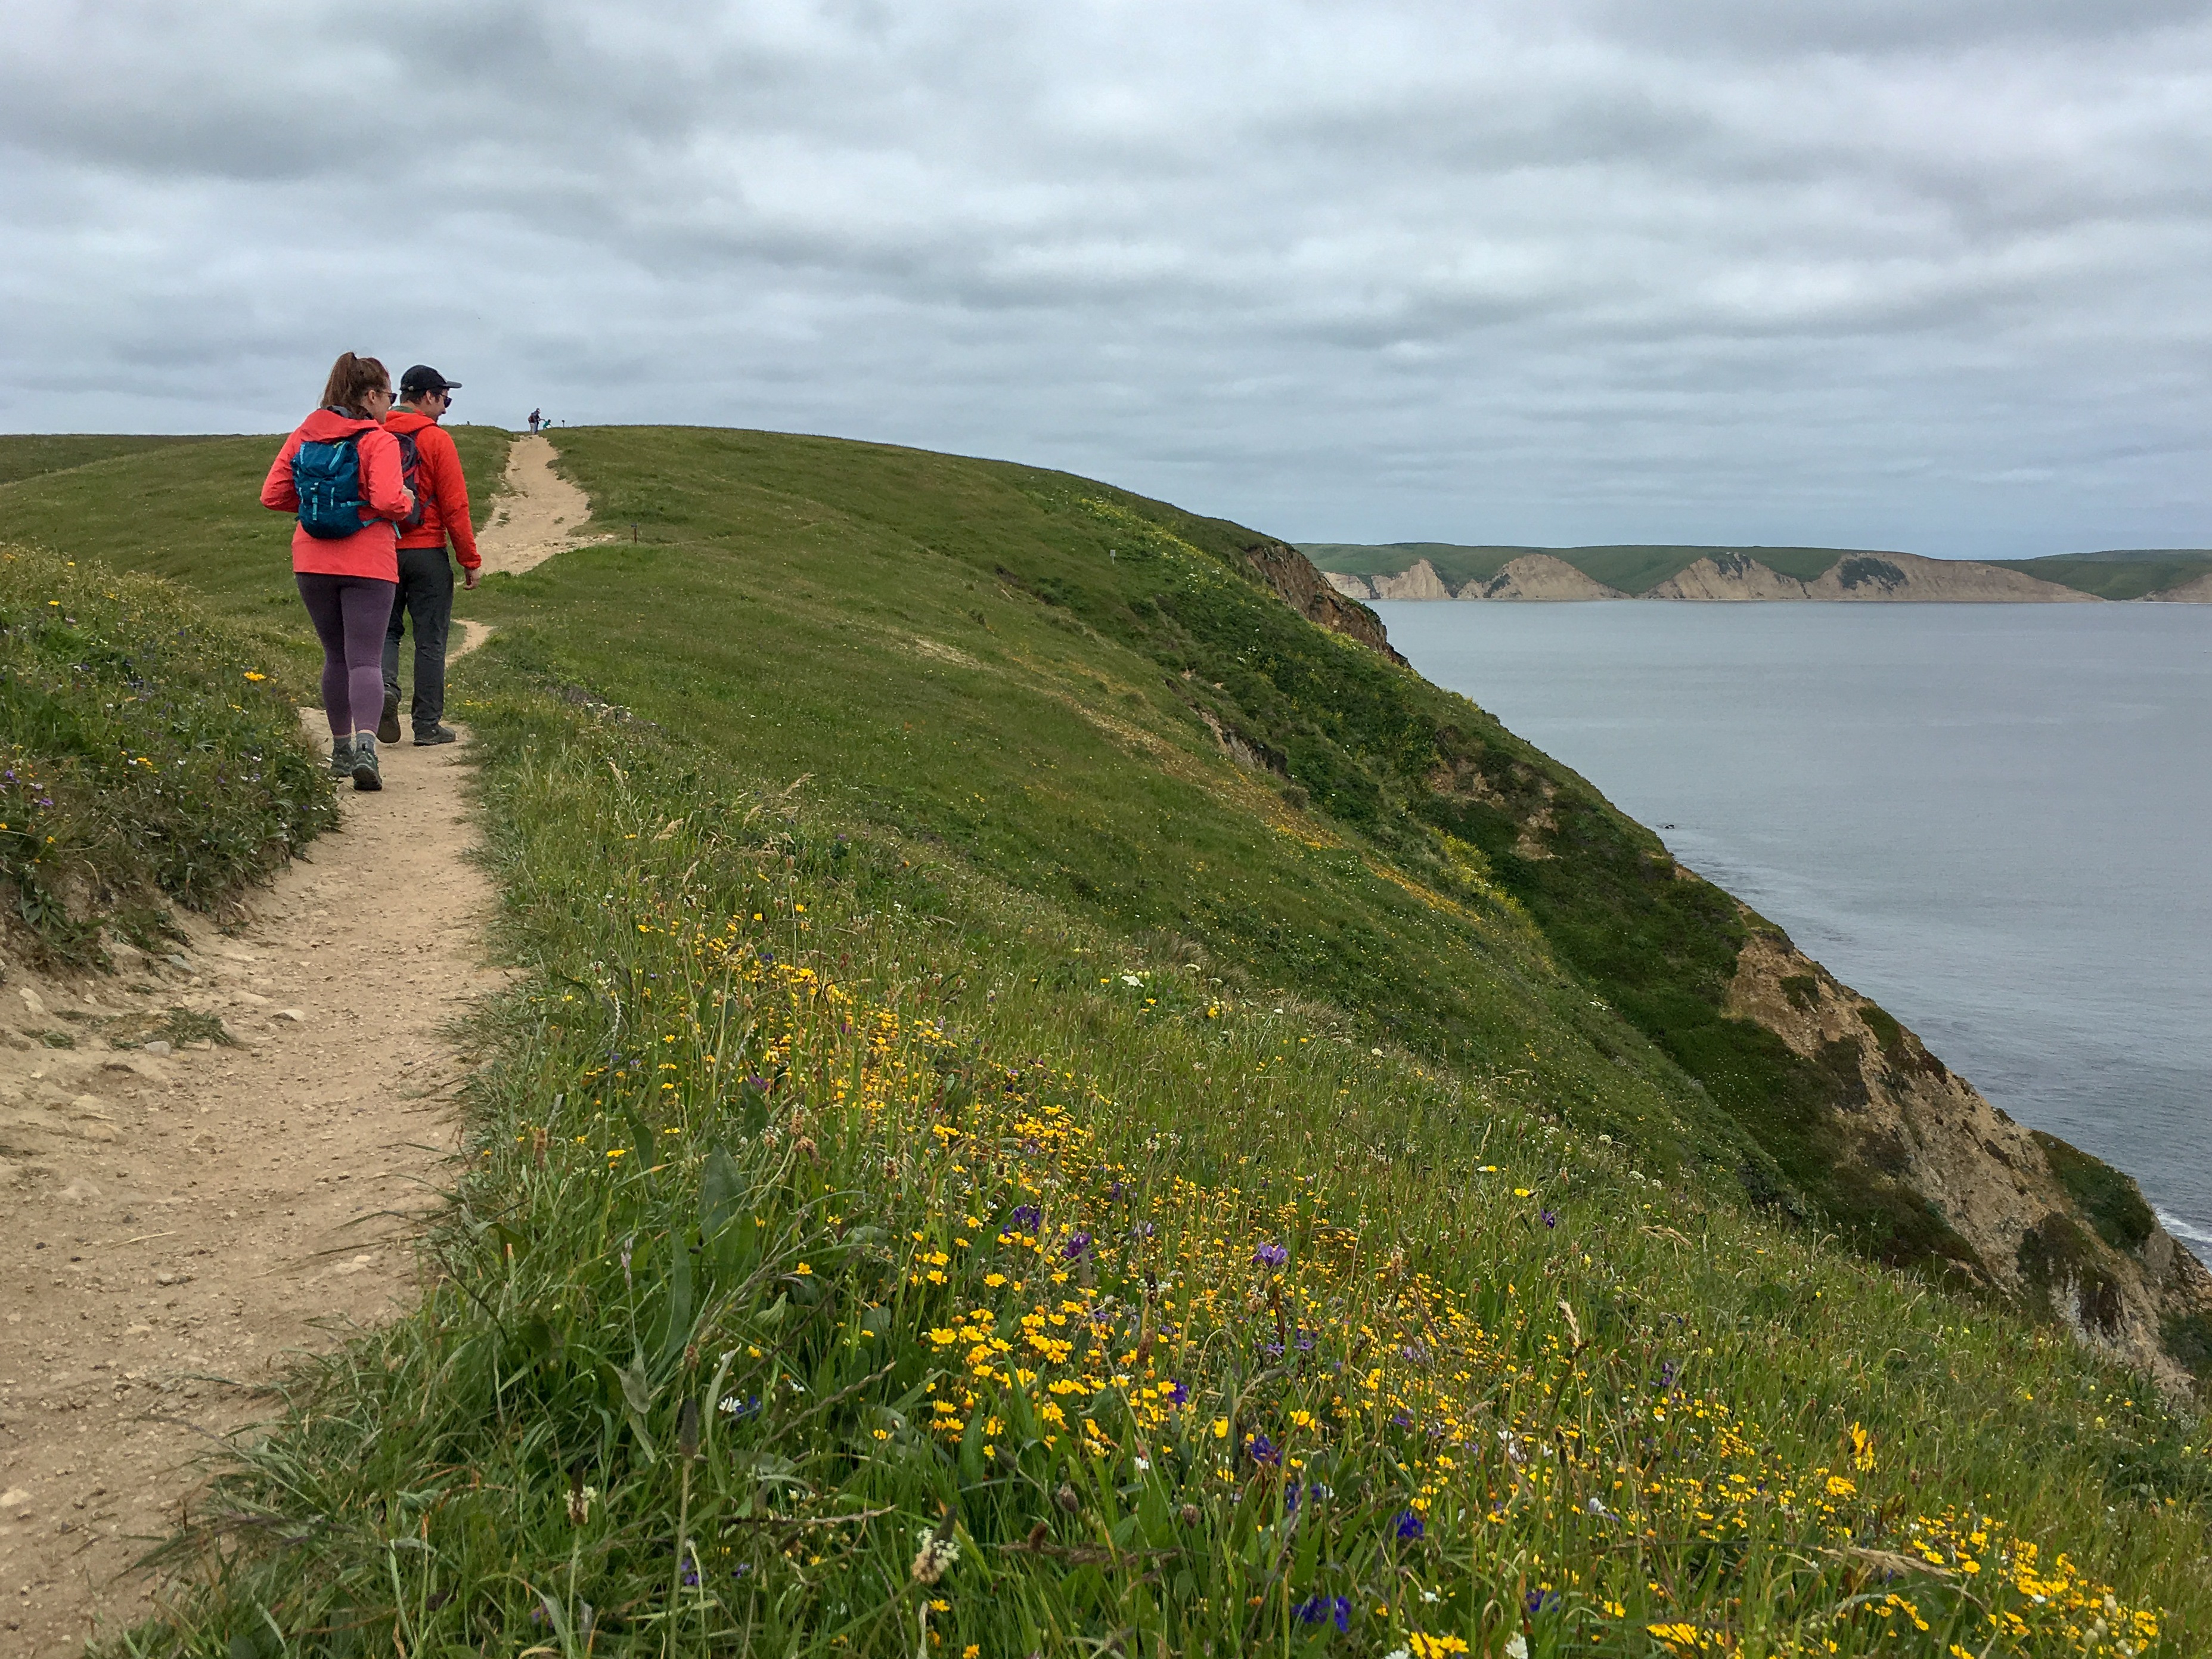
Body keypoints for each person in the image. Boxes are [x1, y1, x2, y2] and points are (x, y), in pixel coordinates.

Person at [259, 352, 412, 790]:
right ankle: (367, 747)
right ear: (369, 396)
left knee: (335, 656)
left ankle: (340, 749)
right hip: (368, 560)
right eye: (388, 395)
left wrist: (316, 509)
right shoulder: (378, 440)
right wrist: (405, 501)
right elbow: (387, 501)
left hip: (312, 559)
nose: (390, 404)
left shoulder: (305, 433)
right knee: (365, 657)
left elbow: (272, 494)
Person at [379, 366, 481, 746]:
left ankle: (386, 690)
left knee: (386, 632)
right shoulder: (437, 440)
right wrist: (469, 560)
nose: (446, 407)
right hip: (427, 552)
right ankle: (426, 726)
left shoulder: (375, 432)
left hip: (383, 551)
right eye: (444, 398)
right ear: (426, 397)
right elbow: (456, 507)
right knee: (431, 640)